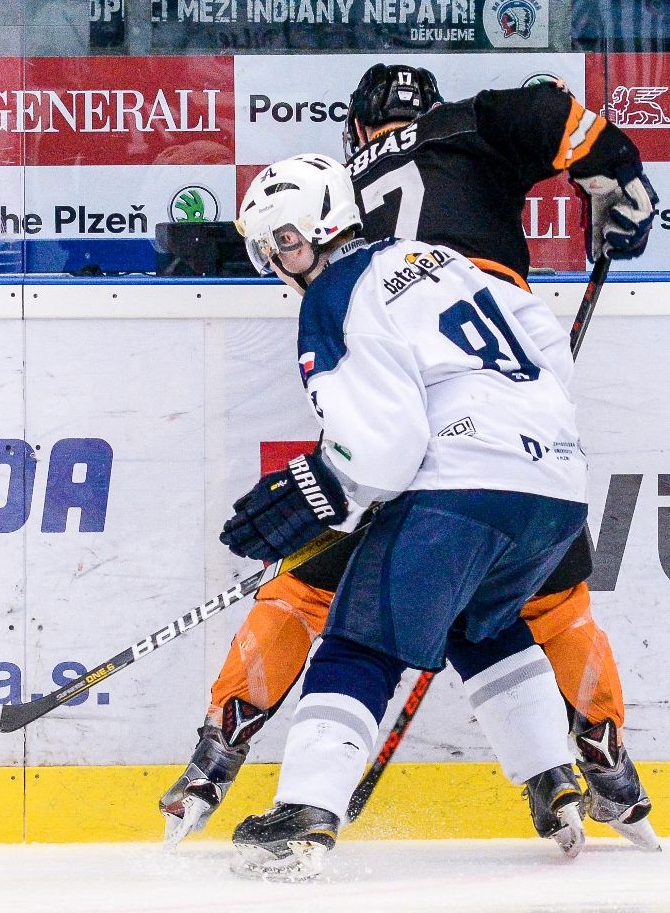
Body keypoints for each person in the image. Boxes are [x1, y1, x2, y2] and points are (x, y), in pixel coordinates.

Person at [160, 65, 659, 852]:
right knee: (532, 612)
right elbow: (544, 108)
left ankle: (226, 761)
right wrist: (614, 175)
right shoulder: (458, 148)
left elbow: (381, 449)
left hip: (428, 435)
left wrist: (324, 485)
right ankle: (578, 769)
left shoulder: (342, 246)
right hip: (532, 432)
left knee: (316, 600)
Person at [225, 153, 589, 879]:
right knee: (477, 623)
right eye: (270, 247)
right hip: (557, 485)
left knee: (360, 640)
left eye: (286, 241)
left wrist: (321, 485)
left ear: (328, 226)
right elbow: (548, 346)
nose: (279, 260)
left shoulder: (330, 299)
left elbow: (384, 454)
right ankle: (554, 777)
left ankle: (304, 816)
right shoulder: (432, 257)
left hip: (466, 486)